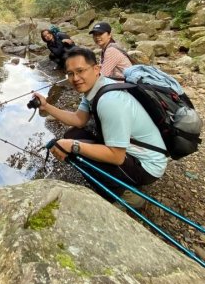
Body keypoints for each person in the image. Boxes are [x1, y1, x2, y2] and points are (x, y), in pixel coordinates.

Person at [33, 47, 168, 204]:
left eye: (80, 71)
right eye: (70, 74)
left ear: (96, 69)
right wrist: (46, 106)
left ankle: (126, 196)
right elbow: (79, 120)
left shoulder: (110, 102)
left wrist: (73, 146)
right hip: (133, 153)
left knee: (73, 147)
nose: (75, 78)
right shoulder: (96, 87)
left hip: (147, 167)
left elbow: (116, 156)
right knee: (73, 134)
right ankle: (116, 183)